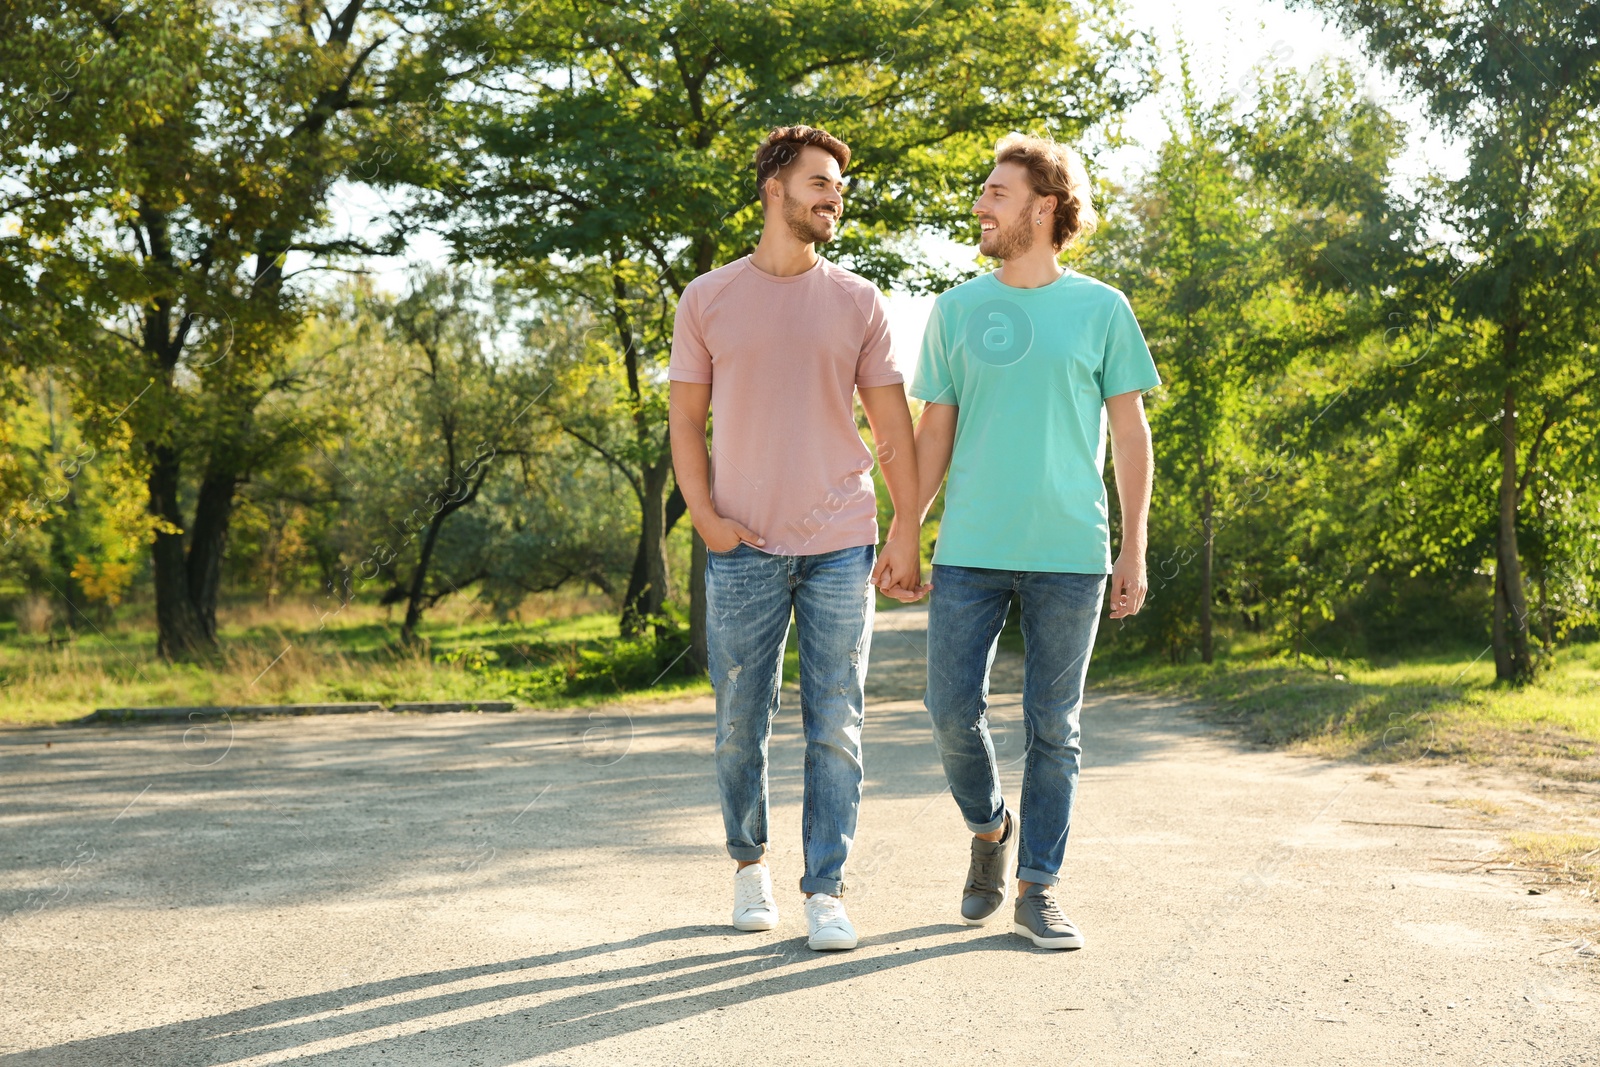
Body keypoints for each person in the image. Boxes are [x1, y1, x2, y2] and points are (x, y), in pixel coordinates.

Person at [668, 125, 923, 952]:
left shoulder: (858, 301)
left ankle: (826, 886)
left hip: (840, 542)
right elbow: (684, 420)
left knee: (836, 719)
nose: (833, 197)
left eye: (838, 187)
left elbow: (891, 429)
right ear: (773, 186)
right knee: (741, 719)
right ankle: (750, 865)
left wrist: (909, 528)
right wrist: (706, 518)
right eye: (819, 182)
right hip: (741, 546)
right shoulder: (706, 297)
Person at [909, 133, 1159, 950]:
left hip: (1070, 552)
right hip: (970, 548)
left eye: (996, 193)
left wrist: (1134, 547)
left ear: (1043, 208)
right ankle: (990, 829)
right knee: (949, 710)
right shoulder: (955, 310)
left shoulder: (1101, 308)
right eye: (983, 193)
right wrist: (904, 529)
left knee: (1056, 726)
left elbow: (1130, 433)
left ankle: (1038, 888)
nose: (980, 205)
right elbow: (933, 433)